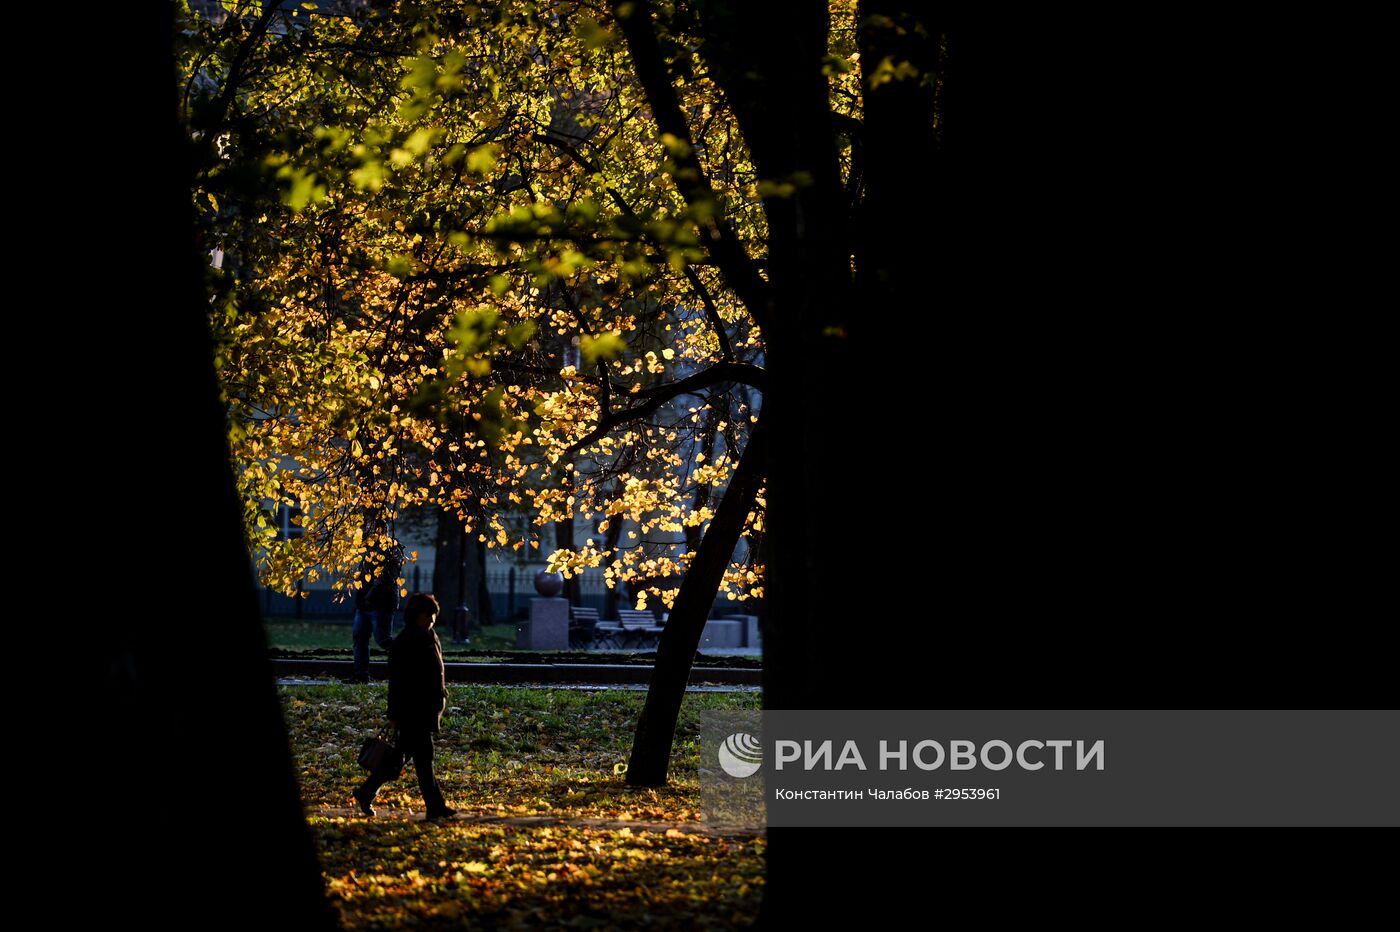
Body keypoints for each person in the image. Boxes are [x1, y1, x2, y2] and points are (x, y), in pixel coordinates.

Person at [353, 592, 456, 821]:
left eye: (433, 615)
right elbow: (397, 682)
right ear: (414, 615)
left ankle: (366, 791)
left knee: (402, 758)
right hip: (412, 710)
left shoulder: (429, 636)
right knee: (423, 759)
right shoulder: (406, 641)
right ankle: (435, 808)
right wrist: (394, 714)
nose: (430, 619)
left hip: (425, 709)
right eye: (426, 615)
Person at [350, 542, 403, 683]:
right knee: (360, 639)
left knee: (383, 640)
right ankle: (360, 675)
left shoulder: (390, 549)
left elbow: (385, 578)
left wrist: (369, 596)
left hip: (380, 604)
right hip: (364, 604)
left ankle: (409, 661)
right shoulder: (366, 548)